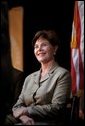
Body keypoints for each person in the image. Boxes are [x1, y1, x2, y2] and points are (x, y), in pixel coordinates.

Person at [5, 30, 71, 125]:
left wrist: (26, 111)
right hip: (24, 120)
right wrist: (23, 117)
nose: (39, 49)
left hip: (47, 122)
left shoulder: (63, 74)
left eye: (44, 45)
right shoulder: (29, 78)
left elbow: (57, 108)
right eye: (36, 46)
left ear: (55, 49)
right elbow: (17, 106)